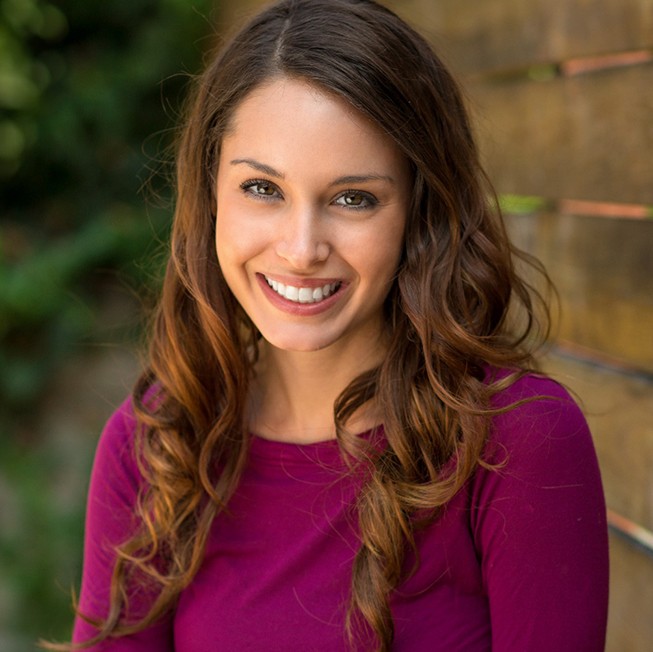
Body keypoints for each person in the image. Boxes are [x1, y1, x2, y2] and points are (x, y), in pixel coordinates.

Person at [57, 0, 609, 650]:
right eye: (262, 189)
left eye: (354, 199)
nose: (300, 247)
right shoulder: (157, 445)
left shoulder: (518, 443)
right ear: (210, 194)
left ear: (419, 212)